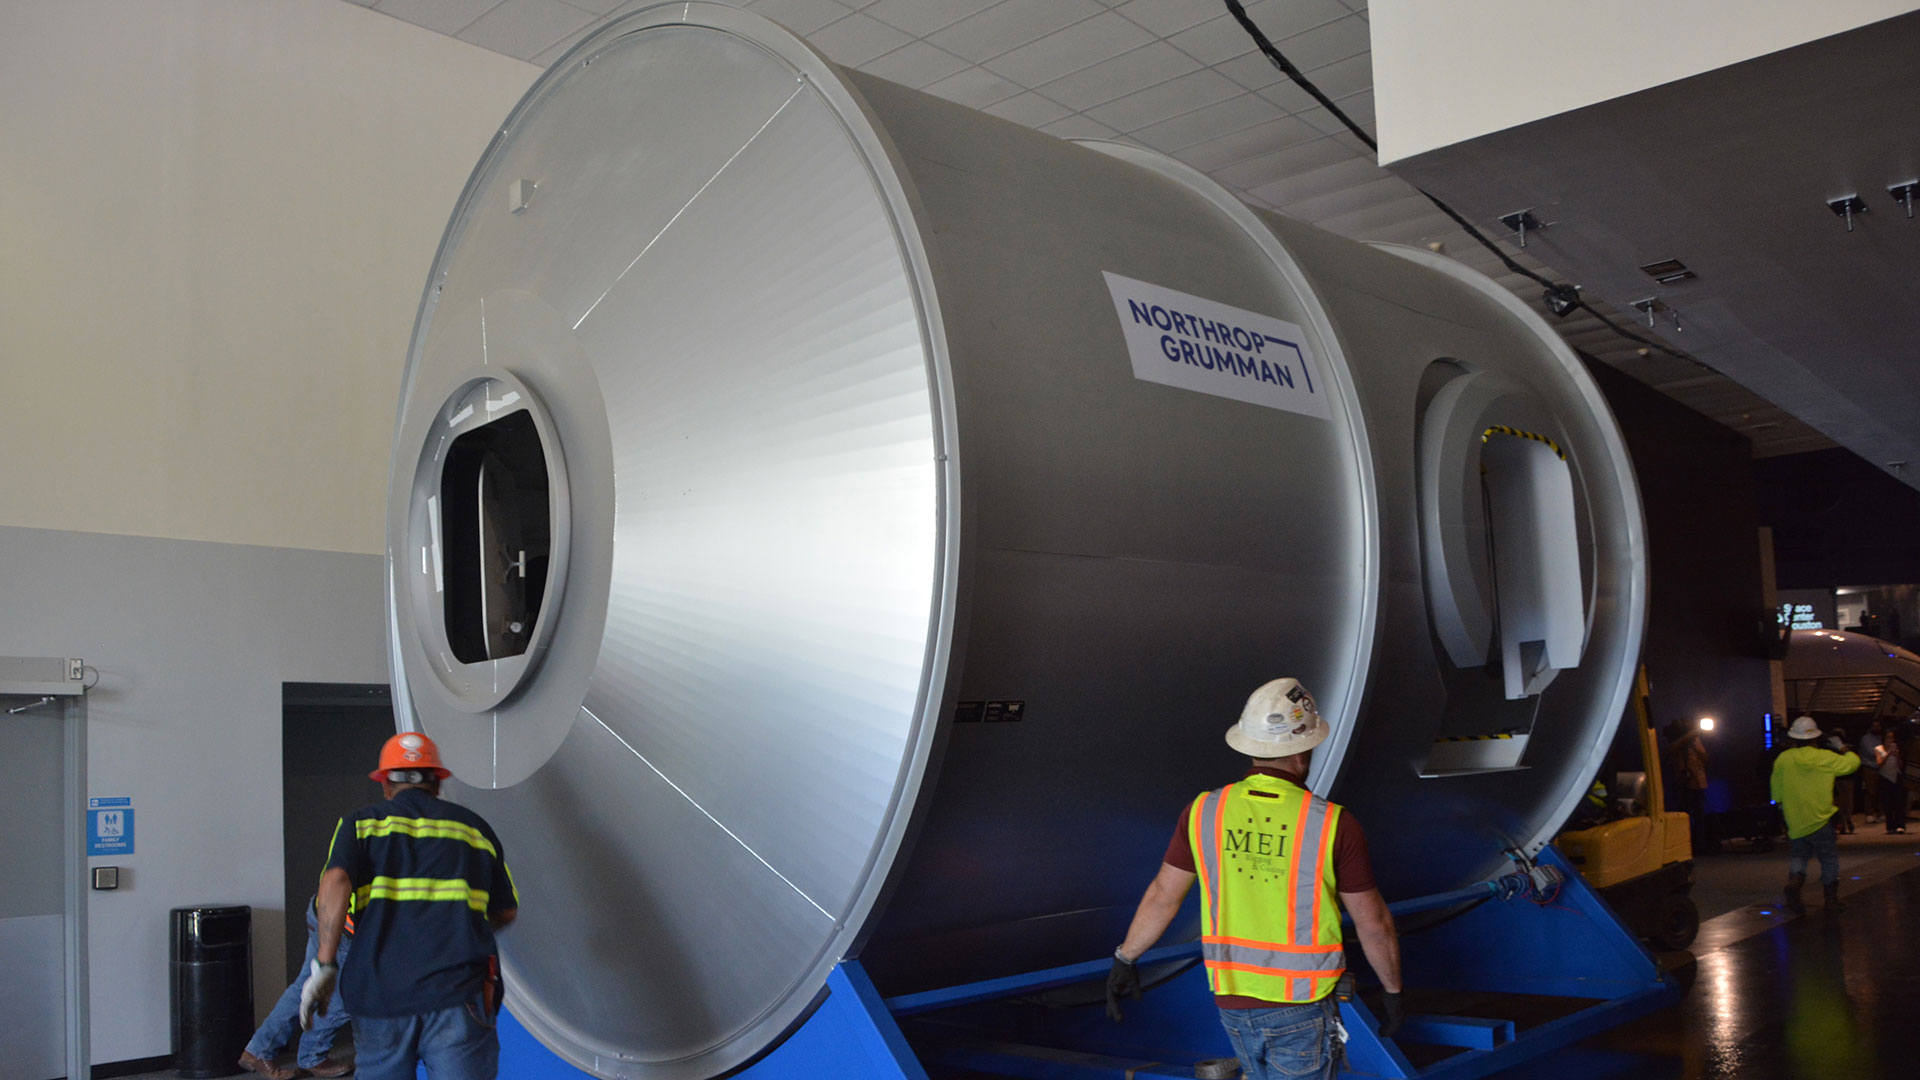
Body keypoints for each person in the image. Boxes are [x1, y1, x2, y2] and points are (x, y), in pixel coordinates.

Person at [1106, 678, 1403, 1080]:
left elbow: (1163, 895)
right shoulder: (1333, 824)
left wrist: (1126, 957)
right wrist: (1392, 990)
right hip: (1301, 1002)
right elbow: (1373, 922)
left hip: (1230, 1000)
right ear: (1302, 751)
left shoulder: (1204, 811)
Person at [299, 731, 518, 1080]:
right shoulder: (476, 830)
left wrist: (325, 964)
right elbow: (506, 910)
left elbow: (336, 881)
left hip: (380, 994)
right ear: (437, 784)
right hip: (458, 993)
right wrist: (460, 924)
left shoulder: (361, 825)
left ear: (386, 784)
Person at [238, 898, 353, 1079]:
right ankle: (312, 1056)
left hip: (324, 913)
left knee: (306, 984)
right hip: (343, 926)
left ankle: (259, 1049)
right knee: (345, 996)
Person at [1769, 716, 1860, 913]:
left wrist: (1781, 807)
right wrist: (1841, 746)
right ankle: (1830, 898)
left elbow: (1775, 790)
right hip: (1821, 819)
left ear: (1793, 738)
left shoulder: (1784, 759)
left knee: (1799, 856)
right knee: (1828, 859)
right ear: (1816, 738)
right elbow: (1853, 763)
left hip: (1796, 820)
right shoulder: (1825, 757)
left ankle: (1795, 882)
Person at [1670, 719, 1712, 852]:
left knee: (1699, 816)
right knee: (1683, 816)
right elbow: (1671, 749)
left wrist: (1693, 742)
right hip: (1684, 784)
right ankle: (1684, 845)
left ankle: (1700, 845)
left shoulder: (1695, 741)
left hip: (1697, 783)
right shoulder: (1677, 742)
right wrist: (1688, 737)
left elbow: (1705, 758)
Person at [1823, 730, 1857, 834]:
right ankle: (1842, 822)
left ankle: (1846, 820)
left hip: (1845, 777)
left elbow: (1854, 759)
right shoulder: (1827, 748)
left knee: (1846, 801)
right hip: (1836, 778)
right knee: (1840, 802)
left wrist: (1840, 746)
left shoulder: (1846, 746)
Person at [1876, 733, 1908, 835]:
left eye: (1892, 738)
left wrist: (1897, 756)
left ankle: (1900, 825)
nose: (1890, 740)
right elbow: (1879, 763)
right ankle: (1890, 826)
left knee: (1899, 802)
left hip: (1896, 777)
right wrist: (1889, 752)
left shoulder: (1896, 749)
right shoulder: (1879, 749)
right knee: (1887, 803)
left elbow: (1901, 766)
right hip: (1885, 778)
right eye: (1888, 737)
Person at [1858, 721, 1885, 822]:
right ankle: (1870, 813)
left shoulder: (1880, 738)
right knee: (1870, 791)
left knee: (1881, 791)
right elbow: (1871, 752)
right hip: (1869, 767)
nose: (1877, 728)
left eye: (1879, 726)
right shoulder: (1866, 738)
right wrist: (1885, 753)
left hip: (1881, 768)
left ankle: (1880, 813)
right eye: (1875, 726)